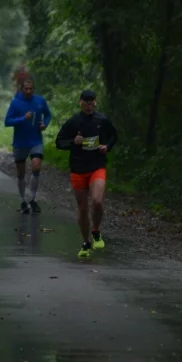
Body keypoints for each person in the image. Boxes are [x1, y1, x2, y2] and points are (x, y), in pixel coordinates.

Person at [55, 89, 118, 258]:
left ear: (95, 103)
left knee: (97, 201)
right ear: (80, 102)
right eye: (85, 103)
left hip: (97, 166)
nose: (88, 106)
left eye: (91, 103)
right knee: (83, 208)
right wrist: (72, 142)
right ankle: (86, 242)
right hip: (78, 169)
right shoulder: (73, 122)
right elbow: (59, 142)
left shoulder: (102, 120)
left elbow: (114, 135)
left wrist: (107, 147)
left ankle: (96, 230)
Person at [4, 78, 52, 214]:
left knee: (36, 166)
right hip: (20, 142)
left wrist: (45, 124)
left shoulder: (40, 101)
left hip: (36, 141)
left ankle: (33, 198)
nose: (29, 91)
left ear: (34, 89)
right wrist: (22, 119)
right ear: (22, 89)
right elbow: (7, 121)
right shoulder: (16, 102)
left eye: (31, 89)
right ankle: (22, 200)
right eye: (26, 89)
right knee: (21, 173)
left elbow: (48, 115)